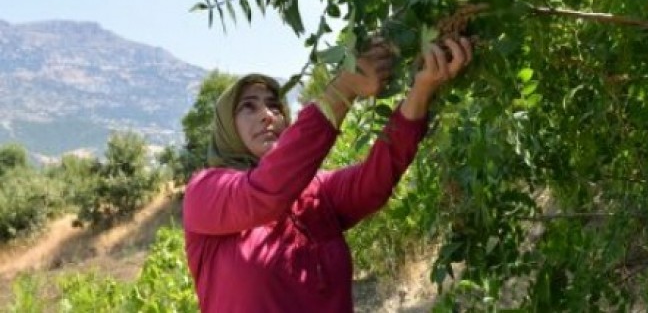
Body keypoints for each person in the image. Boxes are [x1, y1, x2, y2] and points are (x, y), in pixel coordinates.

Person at [182, 37, 473, 312]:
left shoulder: (316, 190)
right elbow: (264, 193)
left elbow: (374, 181)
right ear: (227, 128)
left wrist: (421, 91)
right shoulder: (205, 191)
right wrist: (342, 90)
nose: (267, 115)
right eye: (249, 107)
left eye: (274, 105)